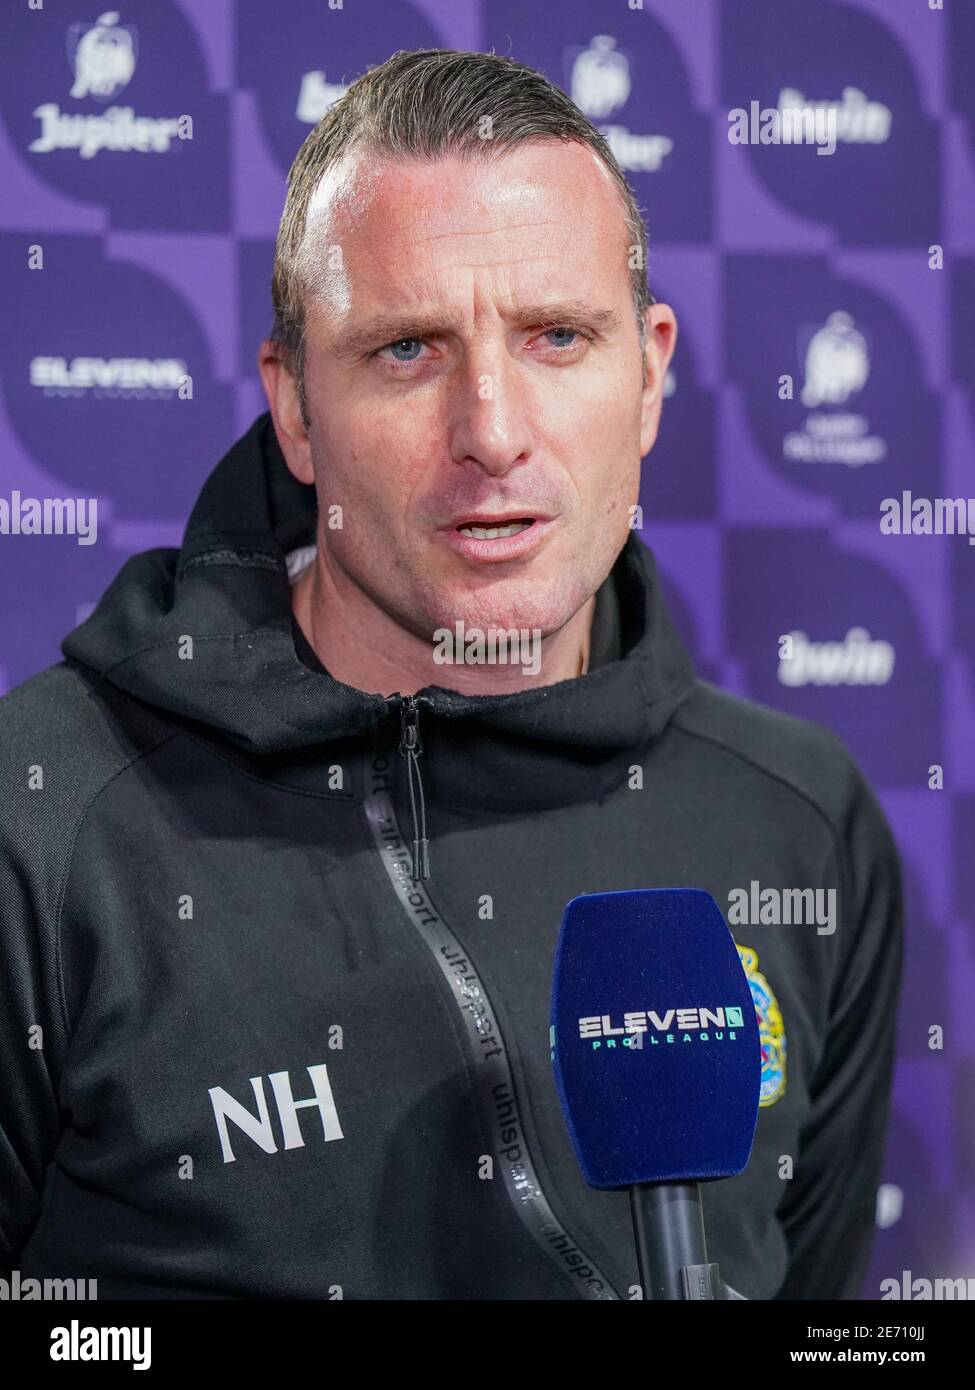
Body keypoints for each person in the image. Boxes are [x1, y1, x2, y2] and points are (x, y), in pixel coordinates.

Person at [0, 47, 902, 1300]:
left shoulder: (805, 821)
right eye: (410, 350)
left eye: (556, 337)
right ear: (297, 409)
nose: (492, 429)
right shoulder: (38, 823)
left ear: (646, 376)